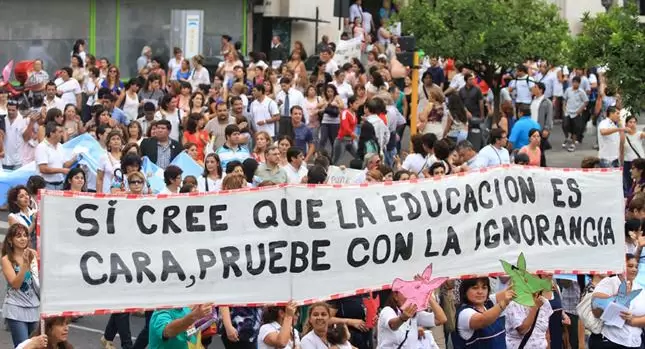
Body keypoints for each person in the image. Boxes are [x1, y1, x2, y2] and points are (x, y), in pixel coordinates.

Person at [1, 223, 40, 347]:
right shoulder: (6, 259)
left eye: (25, 235)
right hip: (15, 308)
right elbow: (15, 284)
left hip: (34, 307)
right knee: (23, 346)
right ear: (10, 240)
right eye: (18, 236)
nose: (23, 238)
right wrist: (25, 265)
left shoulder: (33, 254)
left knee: (35, 346)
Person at [148, 303, 214, 349]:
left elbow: (188, 333)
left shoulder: (185, 309)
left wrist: (198, 325)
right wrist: (194, 316)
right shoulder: (161, 312)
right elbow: (168, 331)